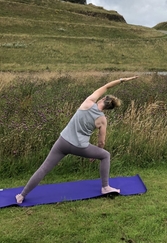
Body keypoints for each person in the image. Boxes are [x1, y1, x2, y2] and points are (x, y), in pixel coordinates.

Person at [15, 76, 139, 204]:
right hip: (80, 147)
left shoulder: (88, 102)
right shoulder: (102, 120)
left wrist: (122, 80)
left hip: (62, 142)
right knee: (105, 155)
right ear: (109, 109)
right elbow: (101, 142)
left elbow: (106, 86)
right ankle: (105, 187)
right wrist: (95, 154)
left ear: (103, 99)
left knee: (44, 169)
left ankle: (22, 195)